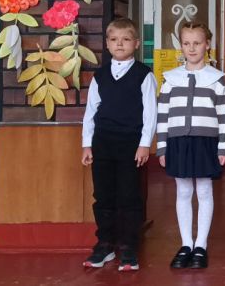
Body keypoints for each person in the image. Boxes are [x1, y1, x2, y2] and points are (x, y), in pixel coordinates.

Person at [80, 18, 157, 271]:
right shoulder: (100, 76)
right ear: (107, 44)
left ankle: (128, 246)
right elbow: (91, 112)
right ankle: (105, 244)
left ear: (136, 43)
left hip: (130, 144)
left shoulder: (144, 75)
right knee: (103, 195)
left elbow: (150, 113)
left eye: (125, 39)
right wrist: (87, 144)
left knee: (128, 195)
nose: (119, 44)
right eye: (114, 40)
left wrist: (144, 144)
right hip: (103, 143)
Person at [157, 22, 225, 270]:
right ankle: (186, 243)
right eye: (186, 43)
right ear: (181, 46)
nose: (192, 48)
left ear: (207, 45)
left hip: (206, 142)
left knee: (205, 191)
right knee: (183, 191)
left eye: (197, 43)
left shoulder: (217, 79)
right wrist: (162, 147)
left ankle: (201, 245)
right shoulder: (170, 79)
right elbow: (163, 115)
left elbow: (223, 116)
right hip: (178, 141)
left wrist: (223, 147)